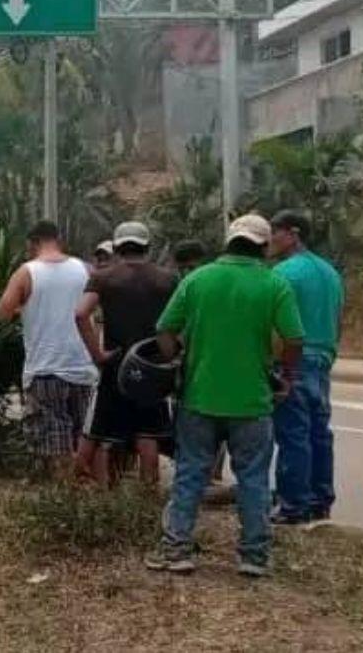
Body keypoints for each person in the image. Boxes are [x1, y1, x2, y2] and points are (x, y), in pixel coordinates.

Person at [146, 214, 303, 577]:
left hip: (199, 398)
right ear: (263, 247)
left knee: (190, 475)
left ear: (229, 241)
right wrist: (285, 375)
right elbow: (294, 339)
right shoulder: (274, 284)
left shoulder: (198, 280)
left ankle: (177, 551)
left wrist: (176, 361)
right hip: (252, 402)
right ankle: (253, 557)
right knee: (253, 478)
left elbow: (165, 330)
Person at [0, 221, 99, 478]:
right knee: (87, 438)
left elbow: (1, 314)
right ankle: (91, 499)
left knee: (56, 444)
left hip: (45, 371)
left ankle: (65, 500)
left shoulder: (27, 272)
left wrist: (24, 307)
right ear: (58, 239)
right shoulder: (85, 269)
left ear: (33, 243)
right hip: (83, 368)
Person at [76, 221, 178, 485]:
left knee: (103, 434)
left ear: (117, 246)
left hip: (116, 365)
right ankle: (147, 498)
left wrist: (98, 354)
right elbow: (179, 322)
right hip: (152, 367)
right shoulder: (167, 279)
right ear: (148, 246)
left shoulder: (104, 277)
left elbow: (80, 313)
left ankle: (99, 494)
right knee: (148, 435)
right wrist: (170, 356)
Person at [270, 210, 344, 526]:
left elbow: (277, 322)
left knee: (293, 433)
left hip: (295, 357)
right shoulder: (330, 273)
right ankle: (320, 500)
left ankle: (293, 505)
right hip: (323, 356)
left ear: (293, 233)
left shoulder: (285, 273)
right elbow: (339, 318)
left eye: (275, 232)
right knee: (319, 432)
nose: (270, 240)